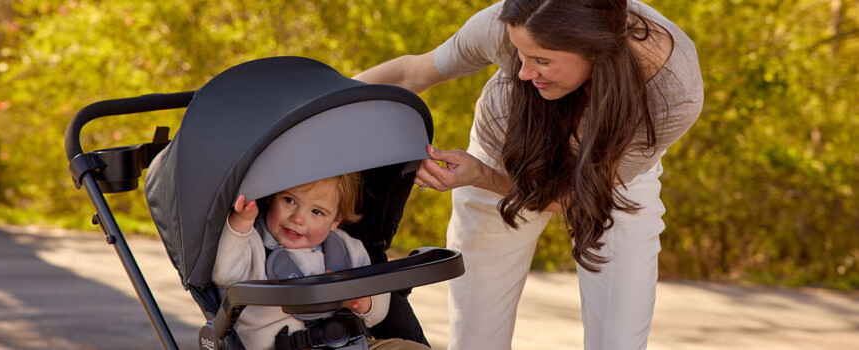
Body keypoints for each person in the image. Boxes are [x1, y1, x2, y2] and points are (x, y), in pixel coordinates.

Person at [354, 0, 703, 349]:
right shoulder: (504, 23)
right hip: (501, 158)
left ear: (595, 53)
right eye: (520, 54)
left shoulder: (672, 89)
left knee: (619, 339)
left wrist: (479, 176)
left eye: (542, 61)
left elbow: (580, 200)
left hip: (611, 183)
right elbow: (410, 74)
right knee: (478, 336)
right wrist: (314, 111)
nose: (522, 72)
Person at [212, 173, 430, 350]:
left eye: (317, 212)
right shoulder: (252, 244)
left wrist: (365, 302)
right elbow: (223, 274)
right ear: (271, 196)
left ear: (336, 220)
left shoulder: (346, 248)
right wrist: (240, 223)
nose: (298, 218)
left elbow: (378, 305)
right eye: (289, 200)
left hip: (351, 344)